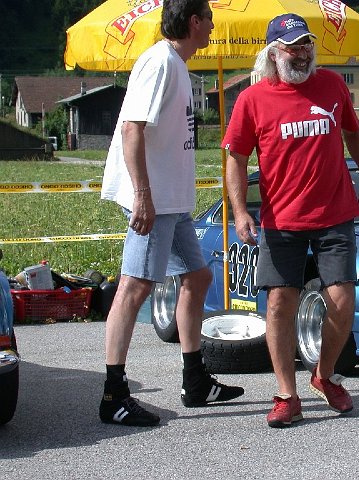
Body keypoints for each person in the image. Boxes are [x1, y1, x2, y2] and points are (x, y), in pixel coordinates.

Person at [223, 13, 359, 428]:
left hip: (335, 213)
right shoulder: (252, 99)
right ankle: (286, 395)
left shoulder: (332, 85)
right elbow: (236, 158)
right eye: (293, 47)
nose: (303, 53)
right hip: (281, 219)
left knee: (342, 300)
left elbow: (354, 133)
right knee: (279, 303)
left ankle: (324, 376)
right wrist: (240, 211)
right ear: (274, 53)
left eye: (307, 44)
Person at [99, 0, 243, 427]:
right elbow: (131, 128)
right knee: (135, 286)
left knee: (197, 278)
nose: (213, 26)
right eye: (210, 19)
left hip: (173, 201)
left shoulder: (178, 64)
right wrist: (143, 195)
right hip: (155, 200)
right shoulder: (159, 62)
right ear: (195, 22)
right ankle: (113, 394)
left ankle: (194, 380)